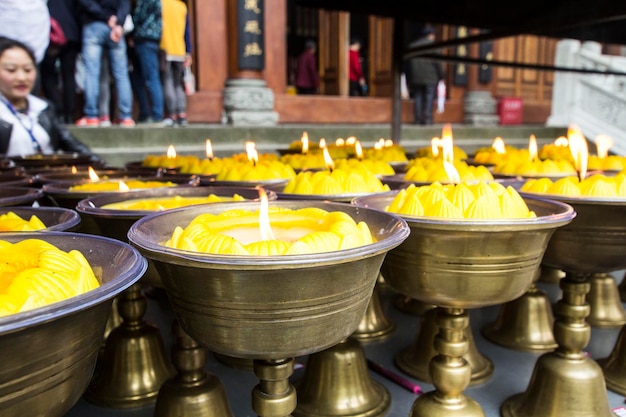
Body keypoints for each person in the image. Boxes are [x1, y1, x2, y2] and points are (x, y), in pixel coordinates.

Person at [0, 37, 94, 157]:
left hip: (45, 174)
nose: (21, 78)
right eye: (11, 70)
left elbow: (73, 145)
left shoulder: (43, 108)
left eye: (28, 70)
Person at [75, 0, 135, 127]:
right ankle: (126, 117)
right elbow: (125, 4)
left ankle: (92, 116)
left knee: (92, 73)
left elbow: (86, 3)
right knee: (121, 74)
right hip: (116, 28)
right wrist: (118, 23)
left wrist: (106, 17)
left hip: (94, 25)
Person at [40, 0, 82, 124]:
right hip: (71, 32)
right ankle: (69, 114)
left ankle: (58, 111)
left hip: (51, 32)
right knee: (69, 75)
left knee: (47, 75)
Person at [130, 0, 163, 124]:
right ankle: (146, 112)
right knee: (140, 78)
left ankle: (156, 114)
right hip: (150, 40)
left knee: (151, 78)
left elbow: (139, 16)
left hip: (145, 40)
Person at [160, 0, 192, 127]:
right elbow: (187, 31)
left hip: (165, 49)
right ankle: (182, 114)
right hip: (180, 50)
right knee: (178, 83)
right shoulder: (182, 6)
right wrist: (188, 52)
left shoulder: (161, 4)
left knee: (167, 82)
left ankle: (171, 114)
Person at [405, 26, 444, 125]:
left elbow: (408, 64)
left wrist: (409, 77)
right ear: (431, 35)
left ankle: (417, 120)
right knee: (429, 97)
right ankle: (427, 119)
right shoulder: (433, 46)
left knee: (418, 97)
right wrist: (442, 76)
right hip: (430, 77)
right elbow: (438, 63)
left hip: (416, 77)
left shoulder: (413, 46)